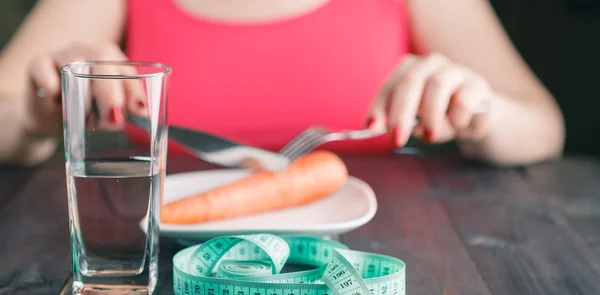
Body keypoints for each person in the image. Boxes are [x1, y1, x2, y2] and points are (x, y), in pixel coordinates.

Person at [0, 0, 564, 167]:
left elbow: (543, 123)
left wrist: (480, 110)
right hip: (158, 278)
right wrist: (36, 107)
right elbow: (8, 107)